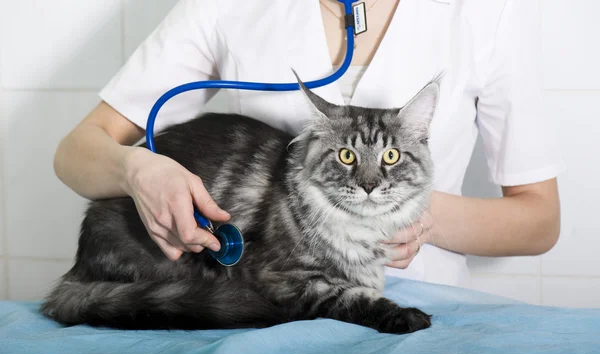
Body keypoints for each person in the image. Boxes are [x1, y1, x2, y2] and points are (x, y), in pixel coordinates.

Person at [53, 0, 564, 289]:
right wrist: (138, 170)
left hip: (424, 305)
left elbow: (539, 221)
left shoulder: (492, 12)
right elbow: (77, 153)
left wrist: (423, 218)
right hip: (261, 296)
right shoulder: (223, 7)